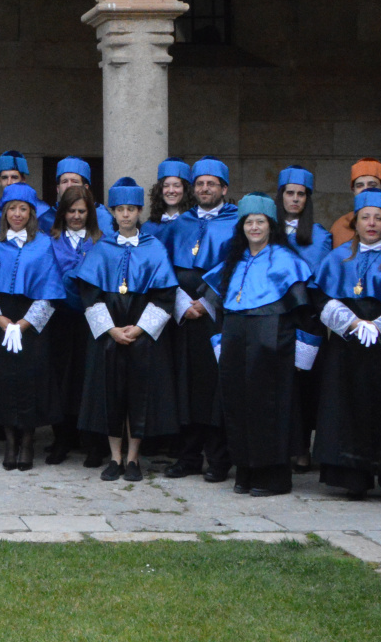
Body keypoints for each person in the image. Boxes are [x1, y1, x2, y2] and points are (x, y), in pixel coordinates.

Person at [311, 190, 381, 503]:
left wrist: (380, 327)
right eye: (366, 217)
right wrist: (351, 323)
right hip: (348, 347)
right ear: (356, 222)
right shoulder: (336, 258)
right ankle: (354, 478)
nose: (372, 223)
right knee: (347, 409)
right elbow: (319, 297)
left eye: (378, 218)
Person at [203, 192, 315, 497]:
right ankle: (246, 470)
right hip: (236, 341)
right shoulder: (232, 262)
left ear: (271, 225)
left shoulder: (286, 261)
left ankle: (273, 477)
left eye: (260, 222)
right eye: (248, 222)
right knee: (237, 406)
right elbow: (217, 311)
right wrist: (220, 343)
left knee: (270, 409)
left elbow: (305, 314)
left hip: (273, 345)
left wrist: (301, 358)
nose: (254, 227)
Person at [76, 178, 180, 482]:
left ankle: (134, 459)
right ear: (112, 212)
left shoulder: (154, 248)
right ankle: (115, 457)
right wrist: (110, 329)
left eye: (131, 209)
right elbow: (89, 294)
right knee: (110, 395)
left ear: (139, 212)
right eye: (120, 209)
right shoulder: (102, 248)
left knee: (139, 395)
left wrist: (140, 330)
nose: (125, 215)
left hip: (141, 336)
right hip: (109, 336)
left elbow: (165, 296)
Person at [0, 183, 68, 469]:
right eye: (12, 208)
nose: (17, 214)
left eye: (23, 209)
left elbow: (50, 292)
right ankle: (10, 443)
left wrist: (23, 324)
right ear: (4, 212)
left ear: (31, 213)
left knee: (30, 381)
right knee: (2, 380)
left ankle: (27, 443)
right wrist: (2, 321)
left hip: (32, 325)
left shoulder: (44, 244)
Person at [161, 155, 238, 483]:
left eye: (212, 183)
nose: (205, 188)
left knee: (214, 389)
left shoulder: (237, 222)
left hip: (216, 318)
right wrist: (181, 302)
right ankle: (188, 457)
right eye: (200, 183)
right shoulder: (180, 223)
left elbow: (236, 266)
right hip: (183, 319)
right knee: (185, 387)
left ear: (224, 188)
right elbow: (163, 268)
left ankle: (218, 459)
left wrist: (207, 303)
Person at [276, 165, 332, 474]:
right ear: (280, 196)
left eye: (301, 195)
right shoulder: (266, 229)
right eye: (290, 193)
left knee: (305, 386)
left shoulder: (321, 236)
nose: (295, 199)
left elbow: (319, 282)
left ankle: (303, 449)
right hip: (274, 317)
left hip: (306, 320)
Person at [44, 183, 103, 467]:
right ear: (63, 213)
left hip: (92, 319)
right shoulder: (50, 240)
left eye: (82, 211)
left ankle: (93, 442)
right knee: (60, 380)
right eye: (71, 211)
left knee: (89, 379)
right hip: (60, 319)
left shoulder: (101, 240)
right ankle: (62, 439)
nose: (77, 216)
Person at [37, 156, 114, 234]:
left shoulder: (102, 217)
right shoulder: (46, 219)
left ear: (86, 188)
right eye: (64, 181)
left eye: (75, 181)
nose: (69, 186)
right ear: (58, 189)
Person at [0, 150, 53, 227]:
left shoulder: (42, 210)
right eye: (5, 178)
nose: (9, 182)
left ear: (23, 180)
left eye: (14, 177)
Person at [143, 157, 194, 248]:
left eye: (176, 186)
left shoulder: (194, 225)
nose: (171, 190)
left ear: (185, 189)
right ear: (160, 190)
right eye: (166, 186)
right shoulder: (148, 228)